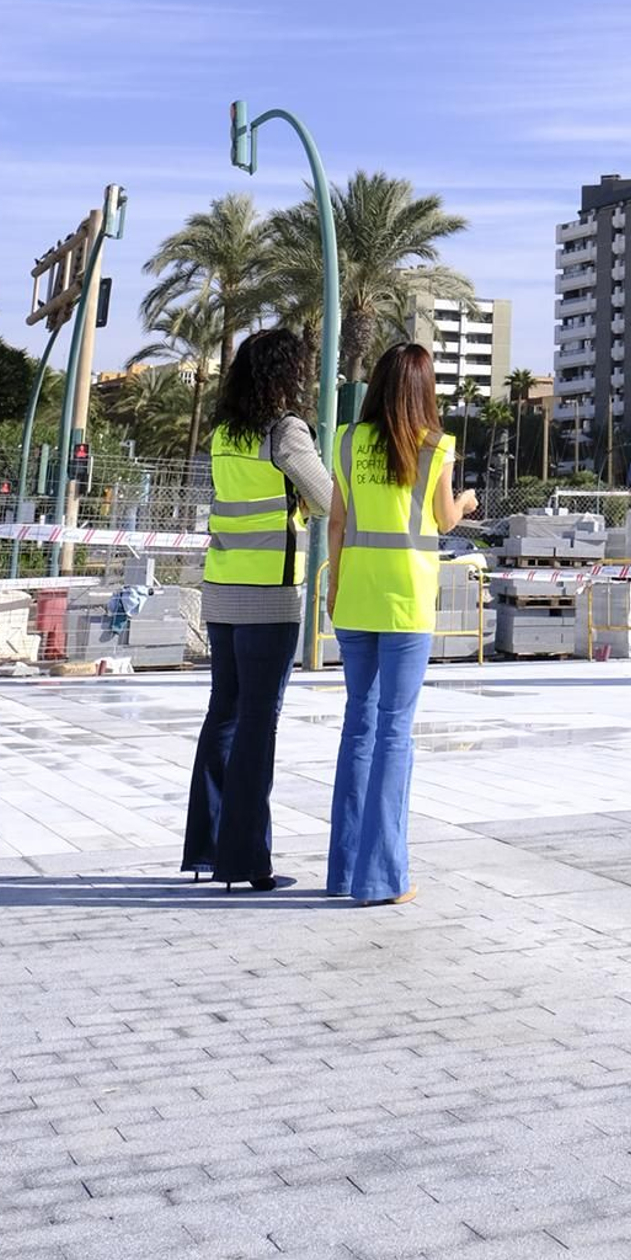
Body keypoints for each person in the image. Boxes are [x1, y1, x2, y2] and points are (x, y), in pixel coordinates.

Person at [182, 326, 332, 892]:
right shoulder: (286, 431)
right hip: (270, 597)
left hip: (222, 591)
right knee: (256, 724)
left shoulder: (225, 434)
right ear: (285, 374)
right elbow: (327, 500)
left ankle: (206, 849)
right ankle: (247, 861)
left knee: (224, 714)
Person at [327, 342, 477, 906]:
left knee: (358, 727)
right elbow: (443, 518)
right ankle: (382, 877)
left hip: (356, 598)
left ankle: (344, 870)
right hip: (408, 601)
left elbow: (337, 523)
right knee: (395, 730)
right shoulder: (437, 446)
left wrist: (335, 588)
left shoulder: (345, 441)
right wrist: (465, 498)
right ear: (423, 389)